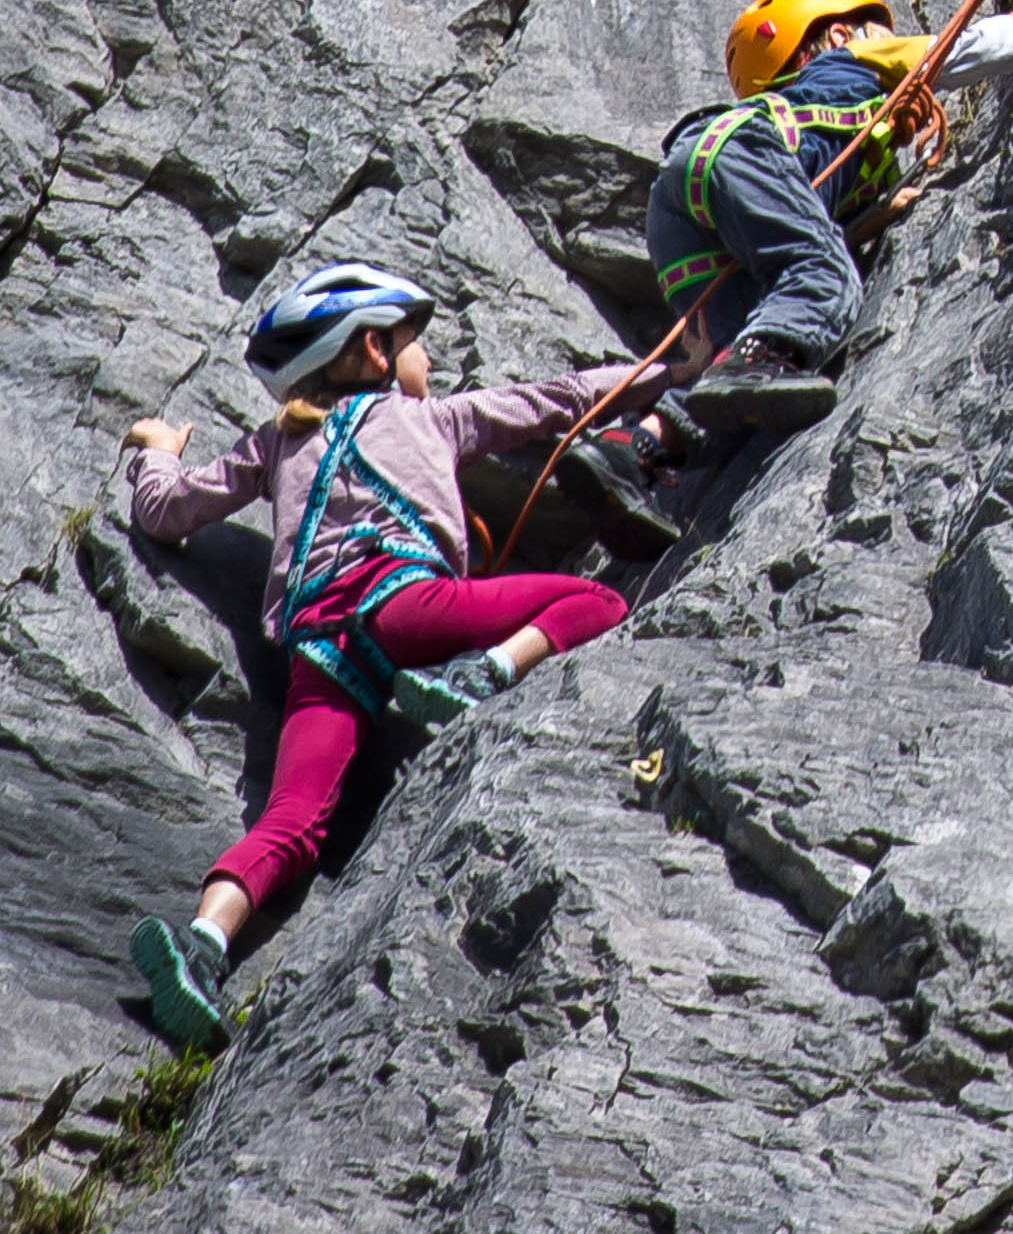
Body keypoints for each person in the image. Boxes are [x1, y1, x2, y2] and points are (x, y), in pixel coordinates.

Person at [123, 263, 674, 1054]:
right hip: (405, 607)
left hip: (319, 651)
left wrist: (155, 448)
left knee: (291, 820)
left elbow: (166, 511)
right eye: (416, 343)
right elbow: (556, 398)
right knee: (597, 601)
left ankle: (203, 946)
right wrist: (670, 373)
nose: (428, 362)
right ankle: (480, 674)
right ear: (376, 350)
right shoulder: (434, 418)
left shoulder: (276, 442)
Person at [555, 0, 1013, 548]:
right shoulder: (850, 63)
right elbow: (948, 51)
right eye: (876, 33)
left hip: (681, 208)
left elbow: (805, 224)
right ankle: (758, 359)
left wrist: (876, 213)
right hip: (743, 154)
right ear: (841, 34)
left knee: (728, 383)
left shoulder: (834, 132)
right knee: (822, 280)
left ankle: (627, 454)